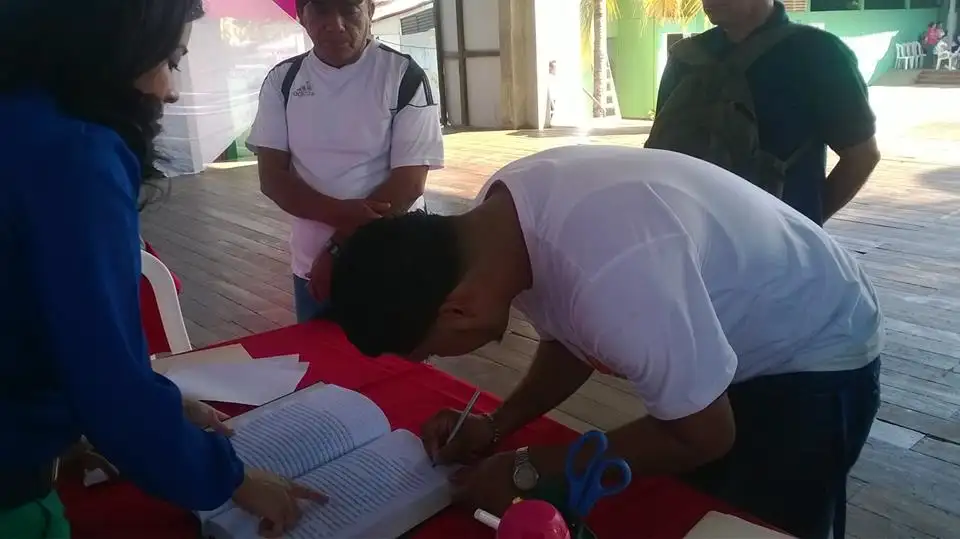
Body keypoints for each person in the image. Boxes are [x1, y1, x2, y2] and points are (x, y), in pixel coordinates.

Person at [328, 145, 883, 539]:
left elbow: (704, 435)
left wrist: (529, 467)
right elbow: (573, 337)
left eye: (431, 351)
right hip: (737, 329)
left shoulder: (615, 277)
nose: (442, 359)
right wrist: (497, 426)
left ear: (457, 309)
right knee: (697, 504)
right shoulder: (496, 228)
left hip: (816, 346)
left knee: (759, 526)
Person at [0, 1, 324, 537]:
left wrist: (155, 406)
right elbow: (107, 383)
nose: (170, 91)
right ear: (115, 48)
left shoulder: (20, 119)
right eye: (169, 61)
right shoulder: (76, 155)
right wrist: (233, 479)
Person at [247, 0, 444, 322]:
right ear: (302, 16)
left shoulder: (403, 75)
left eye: (349, 9)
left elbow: (408, 184)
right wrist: (339, 232)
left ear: (370, 11)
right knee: (319, 354)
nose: (336, 24)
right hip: (310, 265)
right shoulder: (283, 80)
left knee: (395, 351)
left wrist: (338, 248)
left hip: (390, 259)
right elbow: (272, 178)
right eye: (321, 10)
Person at [648, 0, 880, 226]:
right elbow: (660, 147)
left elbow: (861, 156)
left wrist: (801, 226)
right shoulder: (685, 56)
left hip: (774, 238)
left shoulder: (817, 53)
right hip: (689, 231)